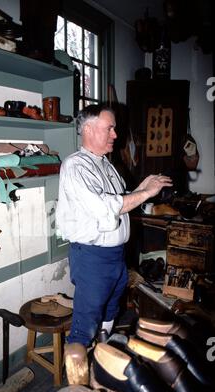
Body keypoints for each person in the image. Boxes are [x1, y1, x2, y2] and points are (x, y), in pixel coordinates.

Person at [56, 103, 173, 347]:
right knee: (85, 322)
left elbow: (119, 200)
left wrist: (142, 188)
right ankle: (78, 377)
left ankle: (103, 353)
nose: (115, 135)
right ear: (88, 129)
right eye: (109, 129)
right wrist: (144, 193)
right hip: (92, 257)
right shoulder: (75, 166)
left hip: (115, 256)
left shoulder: (105, 164)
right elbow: (103, 208)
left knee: (110, 311)